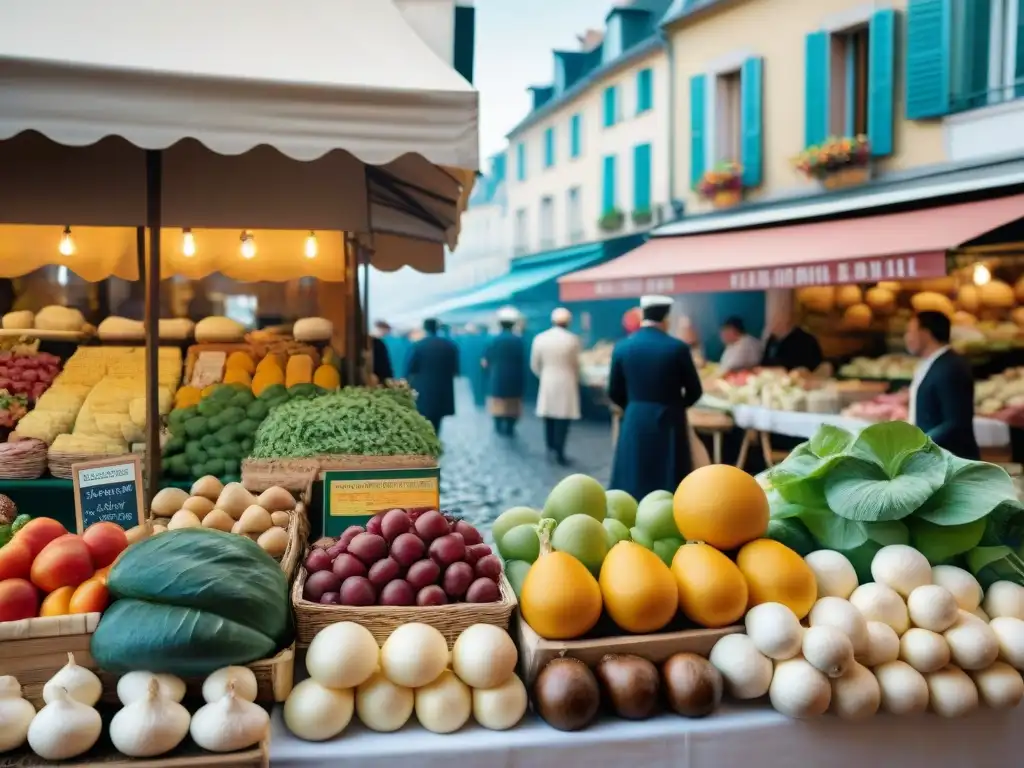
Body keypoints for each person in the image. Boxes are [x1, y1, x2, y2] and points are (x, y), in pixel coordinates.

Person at [608, 295, 704, 500]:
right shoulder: (677, 348)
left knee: (632, 473)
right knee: (669, 476)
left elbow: (613, 391)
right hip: (670, 418)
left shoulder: (622, 347)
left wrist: (632, 406)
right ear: (667, 318)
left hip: (634, 416)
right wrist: (677, 406)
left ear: (643, 315)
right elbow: (695, 391)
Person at [905, 310, 980, 459]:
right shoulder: (931, 364)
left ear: (925, 333)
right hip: (934, 460)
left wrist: (920, 444)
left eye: (910, 332)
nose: (906, 338)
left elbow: (956, 422)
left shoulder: (952, 367)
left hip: (951, 462)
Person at [531, 307, 582, 464]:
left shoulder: (540, 338)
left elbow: (534, 364)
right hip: (566, 381)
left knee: (549, 416)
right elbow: (576, 364)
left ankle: (550, 446)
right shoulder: (573, 340)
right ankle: (560, 450)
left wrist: (543, 375)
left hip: (547, 379)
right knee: (563, 419)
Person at [405, 318, 459, 436]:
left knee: (424, 414)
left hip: (423, 387)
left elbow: (410, 368)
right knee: (437, 416)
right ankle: (436, 435)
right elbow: (455, 369)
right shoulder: (449, 345)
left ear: (424, 328)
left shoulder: (418, 345)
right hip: (443, 387)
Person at [482, 306, 526, 436]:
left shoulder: (493, 340)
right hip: (515, 376)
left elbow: (486, 360)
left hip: (497, 375)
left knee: (498, 402)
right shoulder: (519, 340)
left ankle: (498, 424)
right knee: (513, 402)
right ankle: (510, 426)